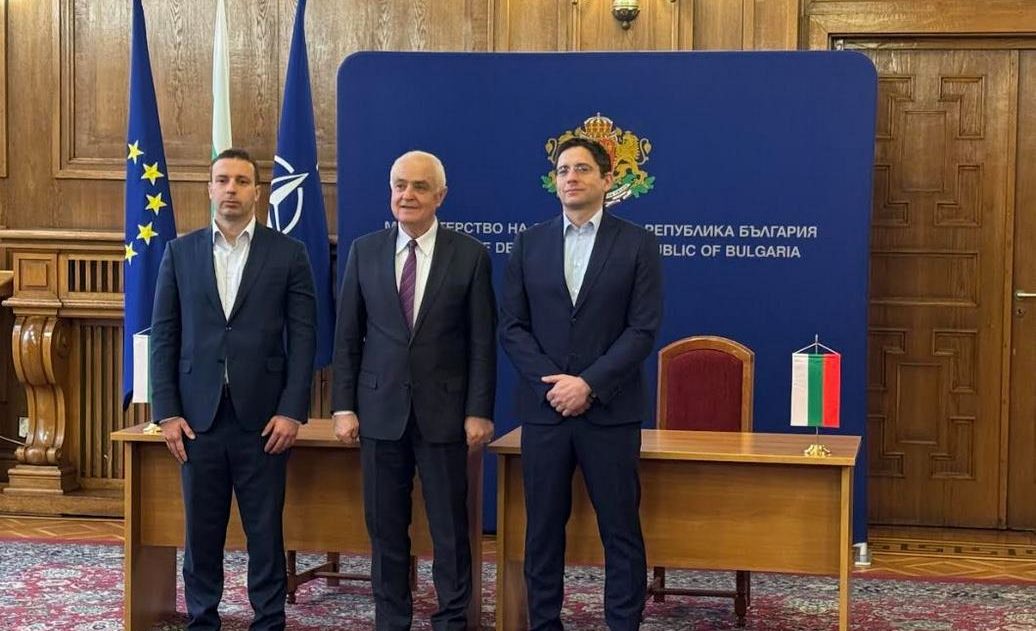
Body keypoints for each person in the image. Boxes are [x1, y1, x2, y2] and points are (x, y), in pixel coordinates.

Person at [499, 137, 663, 631]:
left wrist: (587, 384)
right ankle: (544, 622)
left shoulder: (637, 243)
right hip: (545, 410)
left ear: (607, 180)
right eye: (563, 170)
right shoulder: (529, 243)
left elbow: (642, 329)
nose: (570, 177)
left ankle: (623, 623)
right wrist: (553, 385)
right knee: (543, 529)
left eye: (582, 169)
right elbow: (512, 326)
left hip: (610, 411)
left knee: (621, 530)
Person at [150, 148, 317, 631]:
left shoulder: (288, 253)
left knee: (265, 531)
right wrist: (167, 412)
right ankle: (203, 619)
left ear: (257, 192)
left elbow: (304, 337)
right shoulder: (179, 252)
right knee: (201, 533)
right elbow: (164, 335)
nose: (231, 189)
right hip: (196, 421)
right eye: (222, 179)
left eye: (242, 181)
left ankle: (269, 619)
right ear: (209, 188)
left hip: (263, 421)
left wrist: (292, 411)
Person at [331, 150, 497, 630]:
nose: (408, 195)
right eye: (400, 185)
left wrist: (479, 410)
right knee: (385, 530)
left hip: (445, 415)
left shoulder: (470, 255)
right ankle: (391, 619)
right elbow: (347, 337)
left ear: (440, 196)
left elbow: (482, 342)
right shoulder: (364, 251)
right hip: (379, 412)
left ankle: (452, 620)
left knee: (450, 531)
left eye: (420, 187)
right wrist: (343, 406)